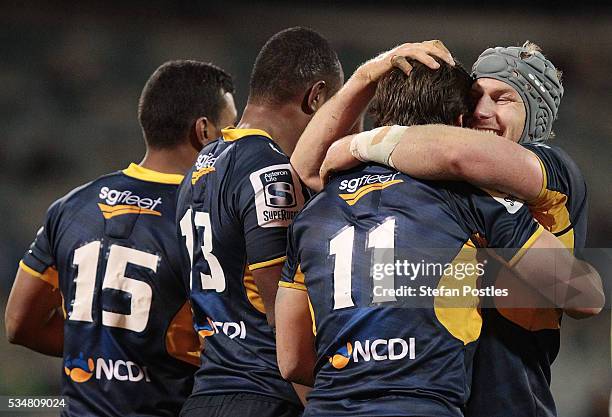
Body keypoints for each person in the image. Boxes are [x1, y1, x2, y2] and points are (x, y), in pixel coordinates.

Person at [275, 58, 603, 416]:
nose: (483, 113)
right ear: (458, 121)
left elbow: (292, 361)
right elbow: (583, 295)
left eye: (503, 99)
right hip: (429, 404)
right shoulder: (467, 196)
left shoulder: (317, 210)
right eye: (476, 100)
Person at [5, 60, 237, 417]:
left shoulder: (72, 205)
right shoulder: (208, 217)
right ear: (204, 131)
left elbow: (20, 323)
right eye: (231, 129)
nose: (234, 141)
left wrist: (105, 352)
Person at [175, 27, 343, 417]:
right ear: (315, 97)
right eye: (332, 109)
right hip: (264, 393)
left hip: (206, 393)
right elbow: (280, 310)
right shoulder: (270, 170)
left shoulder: (198, 169)